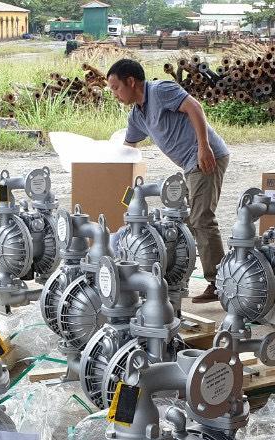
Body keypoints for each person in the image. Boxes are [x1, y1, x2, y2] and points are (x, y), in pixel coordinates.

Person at [106, 58, 230, 304]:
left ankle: (219, 283)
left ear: (131, 82)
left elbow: (195, 107)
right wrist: (112, 177)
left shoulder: (161, 90)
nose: (115, 95)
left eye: (116, 88)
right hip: (190, 165)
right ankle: (177, 274)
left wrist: (204, 147)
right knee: (182, 221)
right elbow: (128, 150)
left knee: (201, 219)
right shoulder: (137, 116)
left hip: (206, 157)